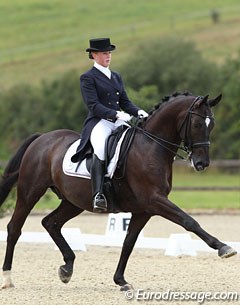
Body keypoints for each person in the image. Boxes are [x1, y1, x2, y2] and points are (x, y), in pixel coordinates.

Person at [71, 38, 148, 212]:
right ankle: (98, 194)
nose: (108, 56)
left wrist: (138, 111)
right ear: (94, 55)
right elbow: (93, 105)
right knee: (100, 148)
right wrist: (115, 114)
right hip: (100, 122)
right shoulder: (88, 77)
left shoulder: (116, 76)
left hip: (119, 120)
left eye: (109, 53)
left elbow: (125, 102)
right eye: (104, 53)